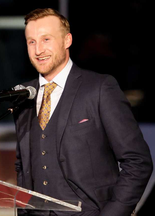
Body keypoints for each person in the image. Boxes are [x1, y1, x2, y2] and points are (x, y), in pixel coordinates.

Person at [14, 8, 153, 216]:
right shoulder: (25, 96)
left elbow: (137, 161)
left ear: (67, 40)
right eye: (31, 42)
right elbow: (22, 165)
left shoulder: (99, 88)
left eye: (46, 39)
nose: (38, 50)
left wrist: (114, 212)